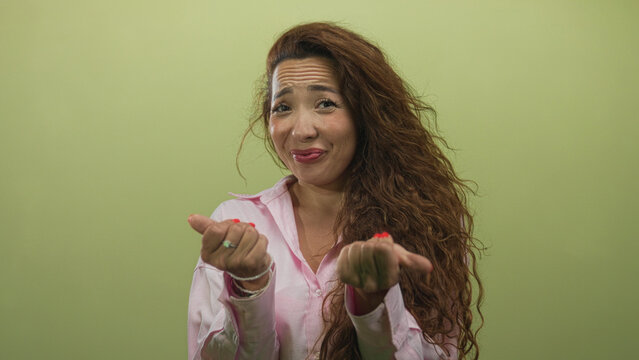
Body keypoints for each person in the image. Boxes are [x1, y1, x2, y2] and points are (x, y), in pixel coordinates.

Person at [187, 22, 483, 360]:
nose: (301, 130)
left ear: (366, 114)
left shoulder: (426, 221)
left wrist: (373, 304)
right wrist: (247, 287)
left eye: (325, 103)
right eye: (283, 107)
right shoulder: (235, 227)